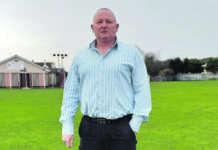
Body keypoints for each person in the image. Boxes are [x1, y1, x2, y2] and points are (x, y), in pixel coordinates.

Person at [60, 8, 152, 150]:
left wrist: (134, 125)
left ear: (116, 27)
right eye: (99, 22)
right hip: (89, 130)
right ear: (92, 28)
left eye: (108, 21)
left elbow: (142, 89)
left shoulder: (132, 54)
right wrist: (67, 126)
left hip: (122, 129)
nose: (104, 25)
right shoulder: (80, 57)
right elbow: (70, 93)